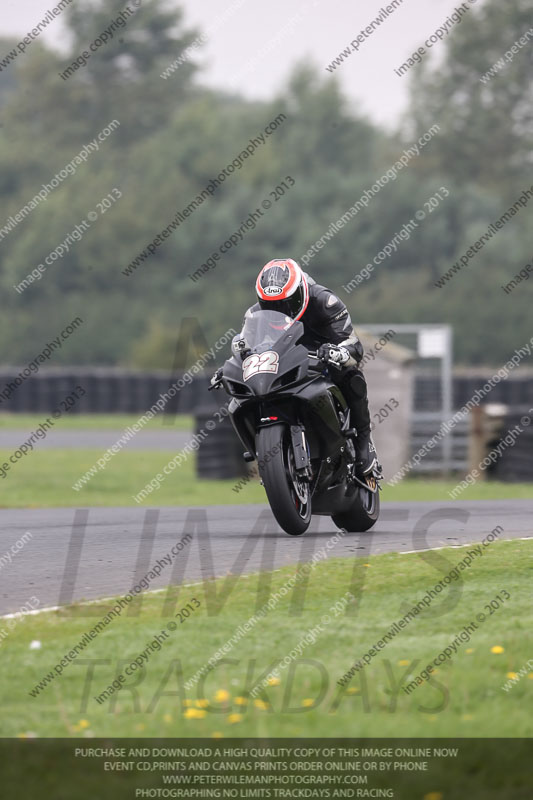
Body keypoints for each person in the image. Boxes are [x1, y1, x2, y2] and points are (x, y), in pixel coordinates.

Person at [212, 258, 379, 476]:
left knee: (351, 375)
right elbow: (246, 348)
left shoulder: (325, 302)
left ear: (300, 291)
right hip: (285, 360)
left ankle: (363, 444)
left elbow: (354, 345)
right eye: (271, 304)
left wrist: (339, 352)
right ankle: (266, 451)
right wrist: (230, 367)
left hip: (323, 356)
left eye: (285, 302)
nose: (279, 309)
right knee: (242, 395)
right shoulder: (254, 315)